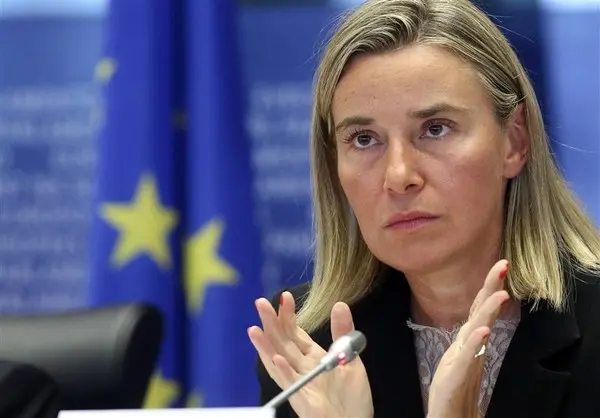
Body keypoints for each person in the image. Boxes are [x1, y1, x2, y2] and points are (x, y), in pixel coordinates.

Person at [247, 0, 600, 417]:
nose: (399, 176)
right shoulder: (312, 346)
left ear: (515, 141)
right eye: (364, 139)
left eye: (435, 129)